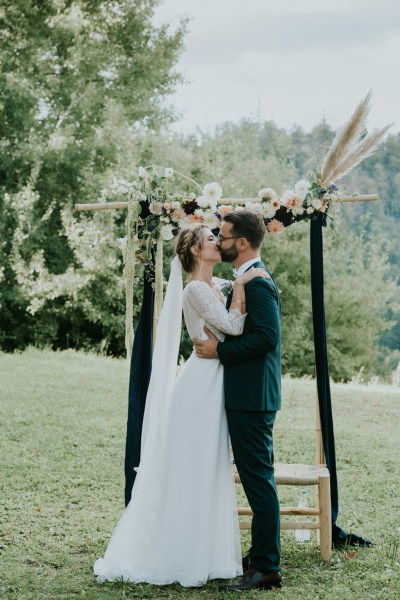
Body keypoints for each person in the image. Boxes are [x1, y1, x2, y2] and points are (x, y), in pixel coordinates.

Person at [94, 224, 267, 587]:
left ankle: (206, 552)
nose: (218, 244)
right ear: (193, 251)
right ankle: (180, 555)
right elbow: (234, 327)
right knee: (193, 468)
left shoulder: (214, 287)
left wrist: (233, 288)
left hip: (214, 381)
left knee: (209, 468)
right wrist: (239, 289)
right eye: (210, 240)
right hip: (199, 388)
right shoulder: (194, 290)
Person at [194, 211, 282, 591]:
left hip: (252, 397)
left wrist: (220, 352)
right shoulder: (250, 278)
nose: (220, 241)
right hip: (248, 395)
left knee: (258, 481)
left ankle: (265, 567)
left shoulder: (259, 284)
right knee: (256, 478)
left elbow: (267, 338)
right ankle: (261, 555)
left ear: (241, 243)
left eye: (224, 237)